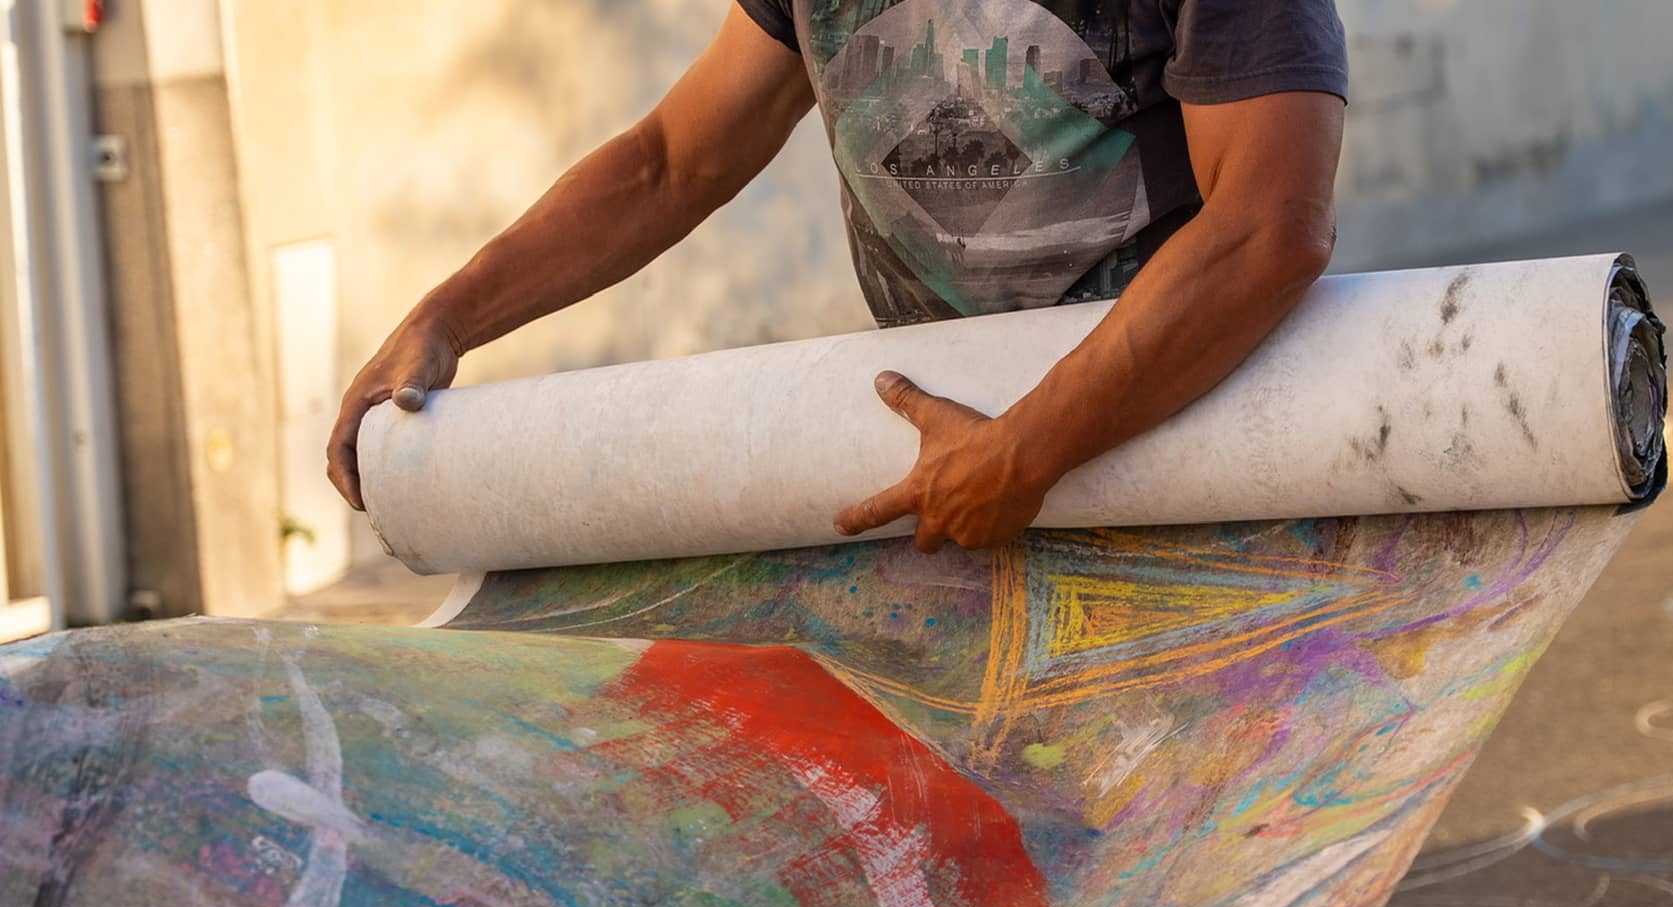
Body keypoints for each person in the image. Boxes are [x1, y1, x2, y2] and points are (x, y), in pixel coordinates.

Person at [327, 0, 1348, 554]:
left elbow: (1272, 224)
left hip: (1187, 488)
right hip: (951, 497)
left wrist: (1027, 452)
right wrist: (447, 315)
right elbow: (673, 161)